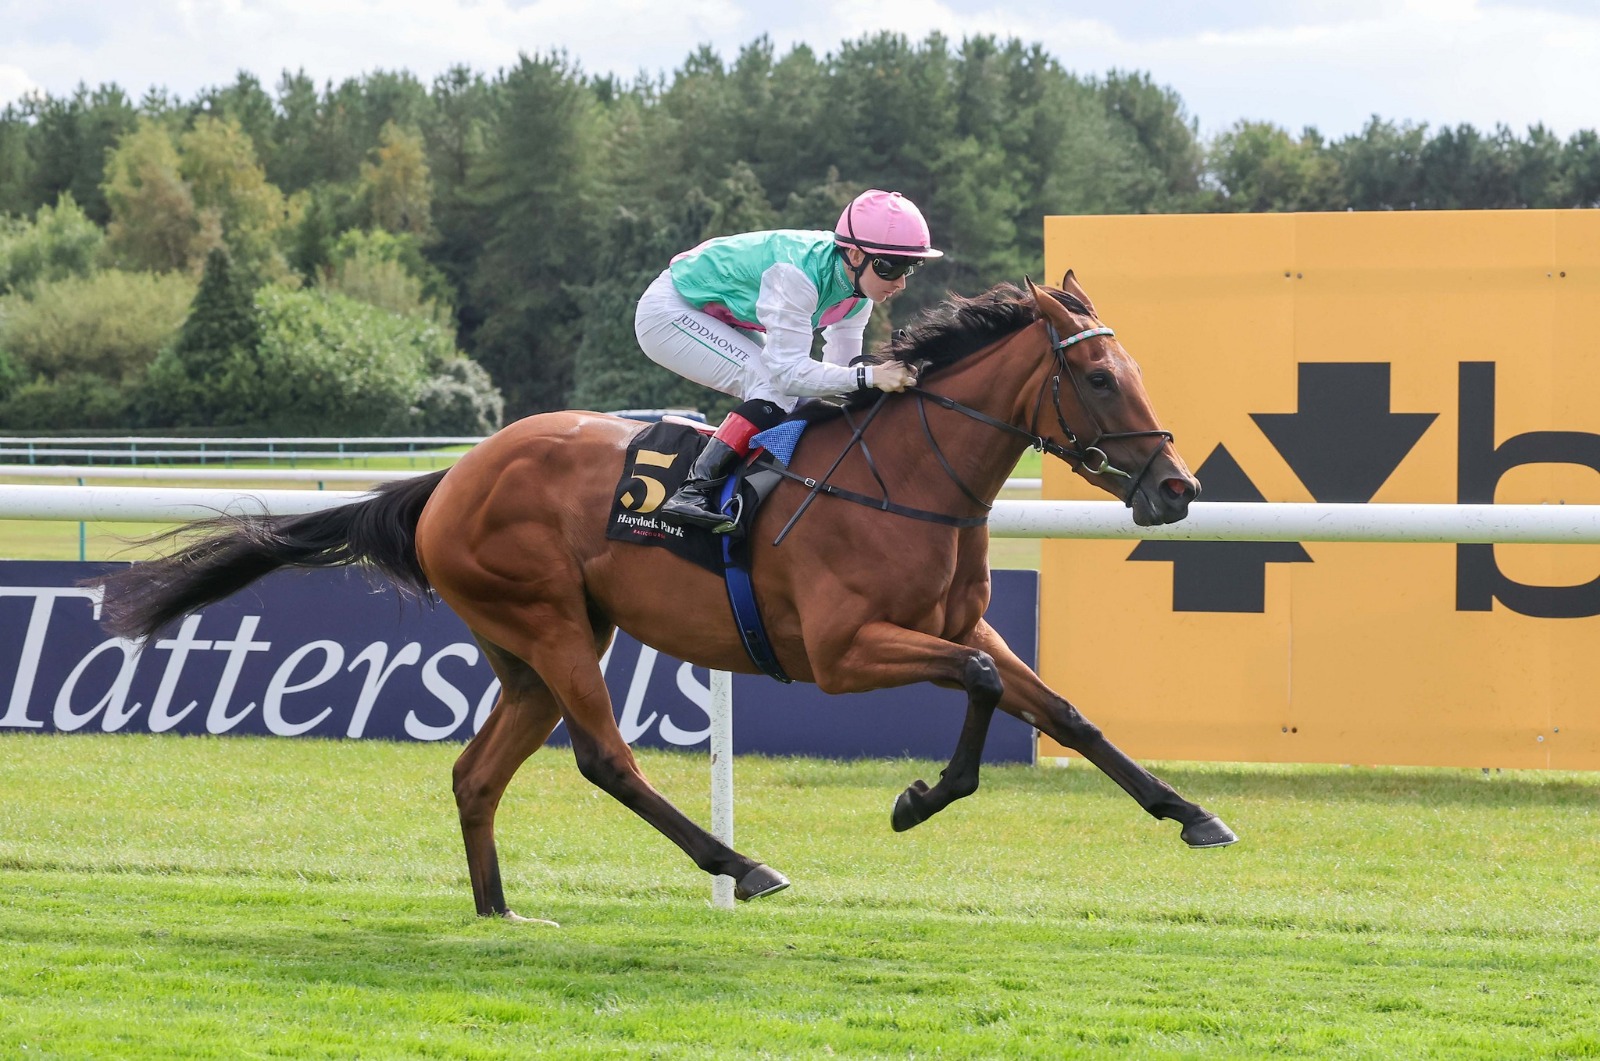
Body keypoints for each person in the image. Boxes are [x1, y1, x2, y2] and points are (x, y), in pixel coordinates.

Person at [633, 189, 942, 531]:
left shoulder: (859, 295)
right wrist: (870, 377)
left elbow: (841, 375)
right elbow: (788, 375)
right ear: (855, 254)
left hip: (724, 314)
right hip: (670, 310)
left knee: (799, 401)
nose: (900, 282)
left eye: (910, 268)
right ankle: (693, 491)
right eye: (891, 267)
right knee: (773, 386)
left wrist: (890, 383)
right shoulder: (797, 275)